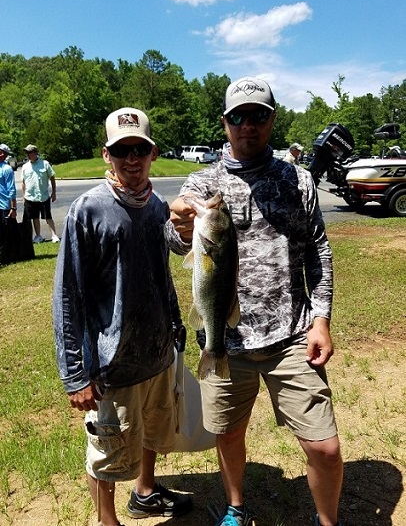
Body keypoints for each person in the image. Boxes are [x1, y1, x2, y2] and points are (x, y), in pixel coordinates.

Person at [166, 77, 343, 526]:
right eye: (239, 117)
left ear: (272, 119)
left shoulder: (295, 177)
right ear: (225, 122)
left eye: (259, 115)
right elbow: (175, 236)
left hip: (291, 335)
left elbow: (318, 249)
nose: (249, 125)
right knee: (227, 434)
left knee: (325, 446)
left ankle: (328, 521)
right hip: (223, 338)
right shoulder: (204, 181)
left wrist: (320, 318)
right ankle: (236, 507)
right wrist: (182, 226)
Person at [53, 107, 192, 526]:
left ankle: (146, 492)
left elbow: (175, 250)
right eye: (121, 150)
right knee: (106, 454)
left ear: (153, 153)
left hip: (157, 350)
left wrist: (185, 229)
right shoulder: (87, 210)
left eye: (140, 149)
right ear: (106, 155)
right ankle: (107, 519)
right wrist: (75, 374)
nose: (131, 159)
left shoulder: (155, 205)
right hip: (110, 364)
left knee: (151, 430)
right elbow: (66, 296)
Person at [21, 144, 60, 243]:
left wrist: (54, 192)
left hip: (43, 196)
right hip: (30, 197)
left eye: (30, 152)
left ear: (35, 153)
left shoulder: (45, 164)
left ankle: (54, 235)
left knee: (48, 216)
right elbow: (23, 182)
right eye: (27, 153)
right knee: (34, 217)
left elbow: (52, 178)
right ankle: (38, 236)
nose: (28, 155)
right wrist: (23, 196)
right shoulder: (25, 166)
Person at [0, 143, 18, 259]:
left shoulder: (7, 169)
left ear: (2, 153)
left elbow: (11, 190)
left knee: (4, 233)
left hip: (4, 206)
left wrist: (13, 208)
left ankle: (6, 256)